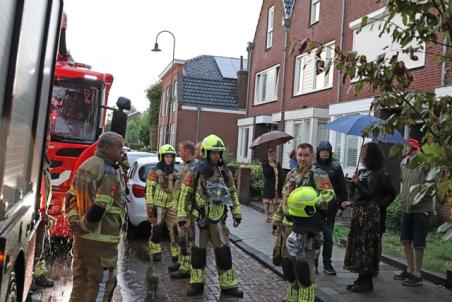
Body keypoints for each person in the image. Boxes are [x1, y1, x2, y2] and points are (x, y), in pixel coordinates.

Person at [177, 134, 244, 297]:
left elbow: (233, 192)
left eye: (218, 153)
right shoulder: (195, 170)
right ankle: (197, 283)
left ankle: (228, 285)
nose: (216, 156)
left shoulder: (225, 172)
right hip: (200, 217)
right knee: (198, 252)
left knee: (223, 252)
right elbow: (185, 193)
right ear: (206, 152)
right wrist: (181, 216)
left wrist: (236, 212)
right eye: (213, 152)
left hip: (219, 218)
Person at [64, 131, 126, 302]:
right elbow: (101, 205)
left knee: (80, 285)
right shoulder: (109, 172)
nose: (122, 151)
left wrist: (74, 221)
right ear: (106, 147)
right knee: (102, 286)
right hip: (102, 245)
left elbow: (70, 197)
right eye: (119, 147)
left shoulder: (86, 166)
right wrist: (84, 225)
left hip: (82, 242)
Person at [272, 143, 335, 302]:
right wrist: (277, 218)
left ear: (312, 156)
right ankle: (292, 298)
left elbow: (329, 195)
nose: (302, 158)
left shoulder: (319, 174)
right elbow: (284, 200)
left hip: (307, 229)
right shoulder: (290, 174)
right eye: (299, 155)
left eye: (306, 155)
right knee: (289, 265)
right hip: (288, 226)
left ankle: (306, 299)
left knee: (304, 268)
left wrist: (315, 201)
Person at [342, 142, 385, 293]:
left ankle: (367, 282)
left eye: (364, 152)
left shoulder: (375, 172)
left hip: (368, 215)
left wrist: (358, 183)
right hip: (360, 213)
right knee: (358, 246)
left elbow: (369, 193)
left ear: (371, 155)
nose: (361, 154)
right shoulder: (364, 171)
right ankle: (361, 278)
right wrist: (353, 184)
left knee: (365, 246)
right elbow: (357, 194)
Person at [393, 139, 432, 286]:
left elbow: (432, 186)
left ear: (418, 149)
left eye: (414, 149)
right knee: (405, 240)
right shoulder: (403, 163)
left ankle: (418, 273)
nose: (412, 151)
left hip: (421, 209)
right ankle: (409, 269)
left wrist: (424, 195)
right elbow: (403, 182)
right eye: (409, 149)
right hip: (406, 207)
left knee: (418, 242)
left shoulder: (425, 164)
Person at [313, 141, 348, 275]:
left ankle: (327, 263)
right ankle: (314, 263)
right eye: (323, 150)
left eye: (327, 150)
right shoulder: (313, 167)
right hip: (316, 208)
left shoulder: (336, 167)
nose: (325, 152)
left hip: (331, 208)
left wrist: (341, 206)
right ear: (318, 152)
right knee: (315, 236)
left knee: (328, 237)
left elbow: (342, 188)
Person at [146, 144, 180, 263]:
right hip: (158, 204)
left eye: (171, 157)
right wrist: (150, 205)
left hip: (171, 205)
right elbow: (149, 189)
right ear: (161, 157)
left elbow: (177, 190)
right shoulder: (154, 172)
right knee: (157, 229)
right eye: (166, 156)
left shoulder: (175, 172)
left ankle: (176, 253)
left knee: (175, 229)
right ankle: (156, 251)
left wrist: (177, 204)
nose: (169, 159)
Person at [169, 140, 198, 279]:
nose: (179, 152)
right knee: (179, 236)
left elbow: (191, 192)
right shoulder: (186, 166)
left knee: (185, 239)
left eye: (180, 150)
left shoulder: (193, 167)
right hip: (180, 208)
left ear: (187, 152)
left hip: (187, 211)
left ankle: (186, 268)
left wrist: (187, 213)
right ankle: (181, 262)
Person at [262, 148, 283, 223]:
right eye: (272, 155)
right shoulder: (265, 163)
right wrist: (271, 166)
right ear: (269, 155)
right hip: (269, 186)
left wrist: (281, 184)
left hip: (277, 185)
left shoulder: (278, 164)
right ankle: (267, 216)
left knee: (276, 202)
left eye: (274, 155)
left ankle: (274, 216)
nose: (273, 156)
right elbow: (266, 174)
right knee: (267, 201)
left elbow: (280, 174)